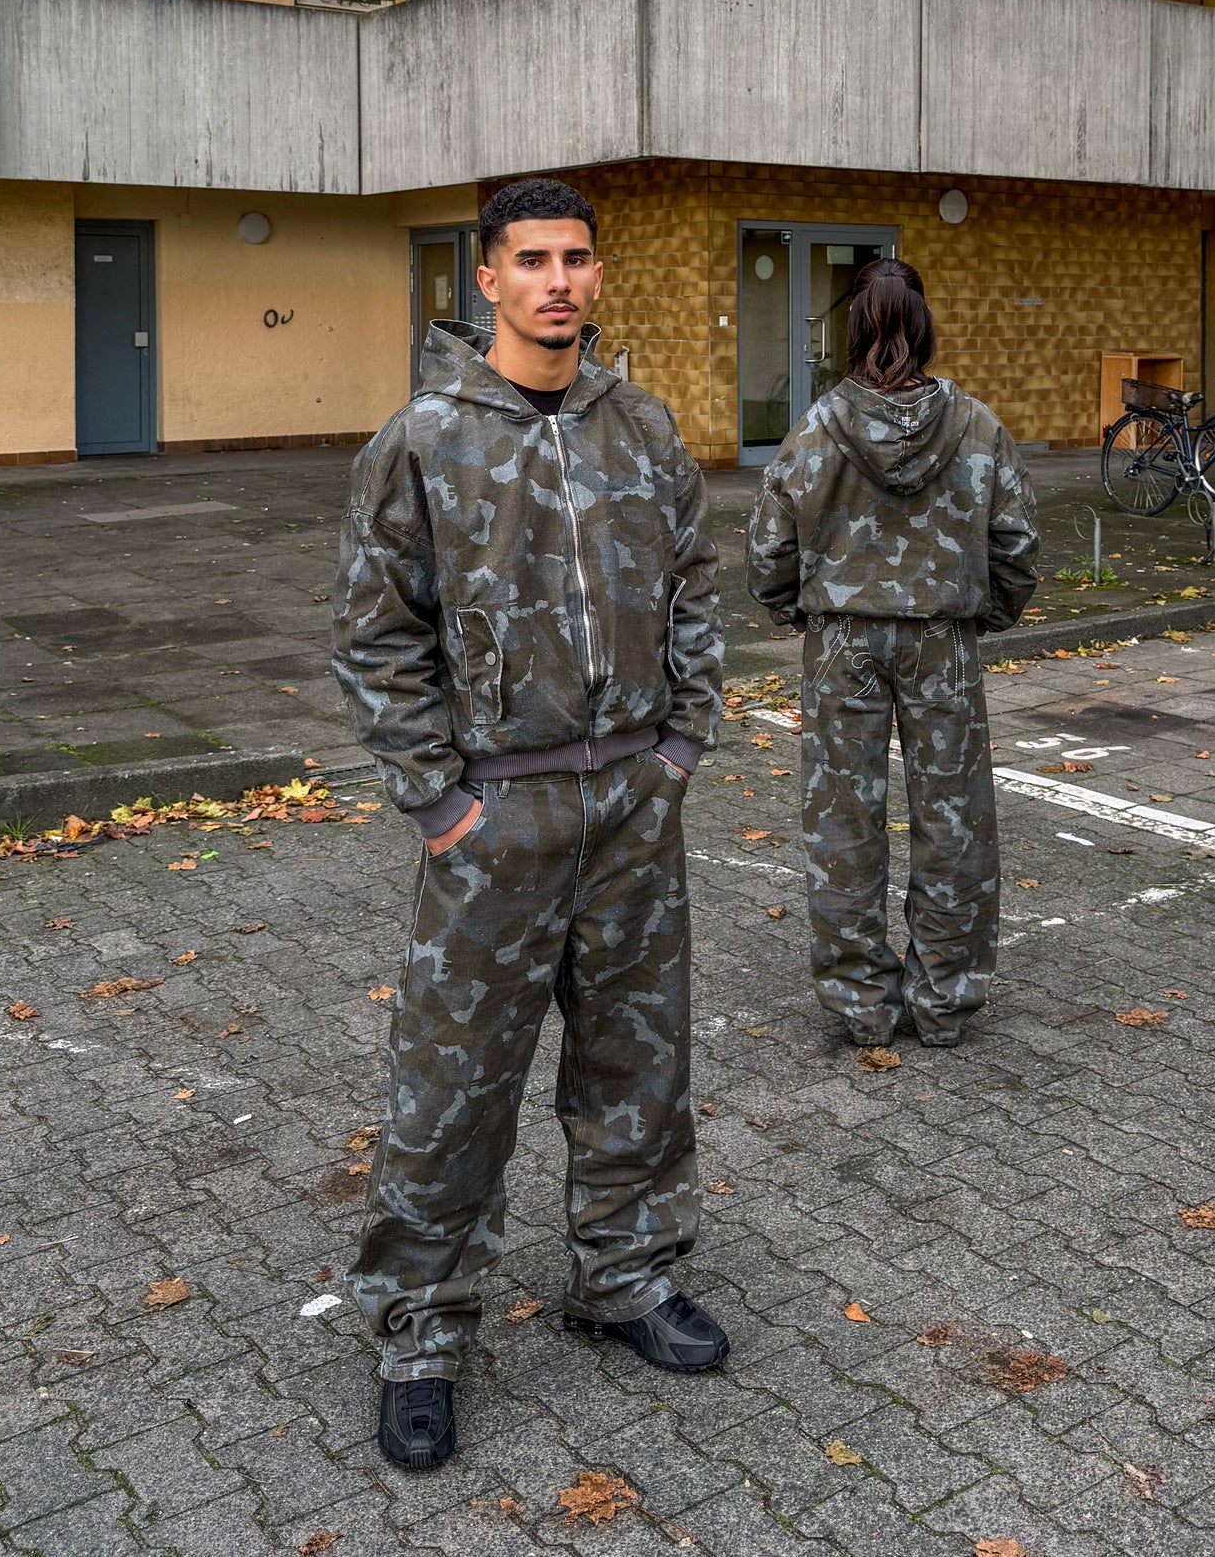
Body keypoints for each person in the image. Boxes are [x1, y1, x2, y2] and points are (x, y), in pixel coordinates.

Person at [332, 176, 728, 1471]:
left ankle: (625, 1274)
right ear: (489, 278)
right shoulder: (424, 440)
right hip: (497, 814)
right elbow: (376, 635)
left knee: (636, 1063)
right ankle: (420, 1330)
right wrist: (438, 800)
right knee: (452, 1086)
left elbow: (693, 588)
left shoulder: (642, 429)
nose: (558, 281)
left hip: (631, 810)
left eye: (576, 259)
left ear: (596, 275)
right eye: (533, 259)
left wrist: (679, 742)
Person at [746, 258, 1038, 1052]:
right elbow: (1016, 544)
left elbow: (768, 550)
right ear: (923, 326)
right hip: (942, 639)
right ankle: (944, 997)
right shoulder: (976, 425)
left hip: (841, 641)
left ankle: (860, 1002)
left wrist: (796, 611)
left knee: (842, 820)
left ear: (854, 330)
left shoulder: (814, 427)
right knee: (955, 818)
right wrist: (988, 614)